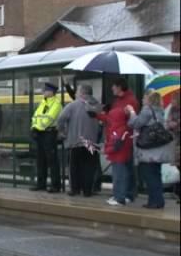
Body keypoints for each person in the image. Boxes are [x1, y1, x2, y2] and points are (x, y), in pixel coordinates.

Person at [90, 77, 139, 206]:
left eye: (114, 86)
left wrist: (121, 135)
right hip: (117, 138)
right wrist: (97, 115)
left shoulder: (130, 102)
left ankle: (119, 196)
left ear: (119, 87)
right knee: (126, 168)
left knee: (119, 169)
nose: (112, 88)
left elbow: (131, 122)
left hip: (121, 140)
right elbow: (112, 119)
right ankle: (127, 194)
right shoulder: (118, 102)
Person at [127, 90, 174, 209]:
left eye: (144, 98)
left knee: (149, 176)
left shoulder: (147, 111)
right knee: (156, 175)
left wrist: (132, 112)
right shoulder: (160, 111)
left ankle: (155, 201)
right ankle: (157, 201)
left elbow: (135, 124)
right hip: (158, 151)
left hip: (148, 151)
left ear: (149, 99)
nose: (142, 100)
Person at [57, 84, 100, 197]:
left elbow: (61, 118)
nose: (75, 93)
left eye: (76, 91)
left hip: (76, 141)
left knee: (74, 167)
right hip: (91, 143)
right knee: (89, 167)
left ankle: (75, 189)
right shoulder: (97, 105)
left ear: (82, 93)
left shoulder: (73, 105)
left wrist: (62, 132)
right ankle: (87, 191)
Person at [30, 82, 62, 193]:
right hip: (40, 133)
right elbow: (35, 116)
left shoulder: (56, 104)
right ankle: (41, 184)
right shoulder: (43, 103)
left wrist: (38, 127)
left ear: (51, 92)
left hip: (49, 133)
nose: (44, 92)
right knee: (41, 160)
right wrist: (34, 127)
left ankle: (55, 185)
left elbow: (49, 118)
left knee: (52, 161)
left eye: (46, 90)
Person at [164, 92, 180, 204]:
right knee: (177, 165)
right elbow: (167, 121)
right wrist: (171, 124)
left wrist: (178, 123)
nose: (171, 101)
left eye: (173, 99)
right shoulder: (171, 109)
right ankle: (178, 192)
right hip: (175, 140)